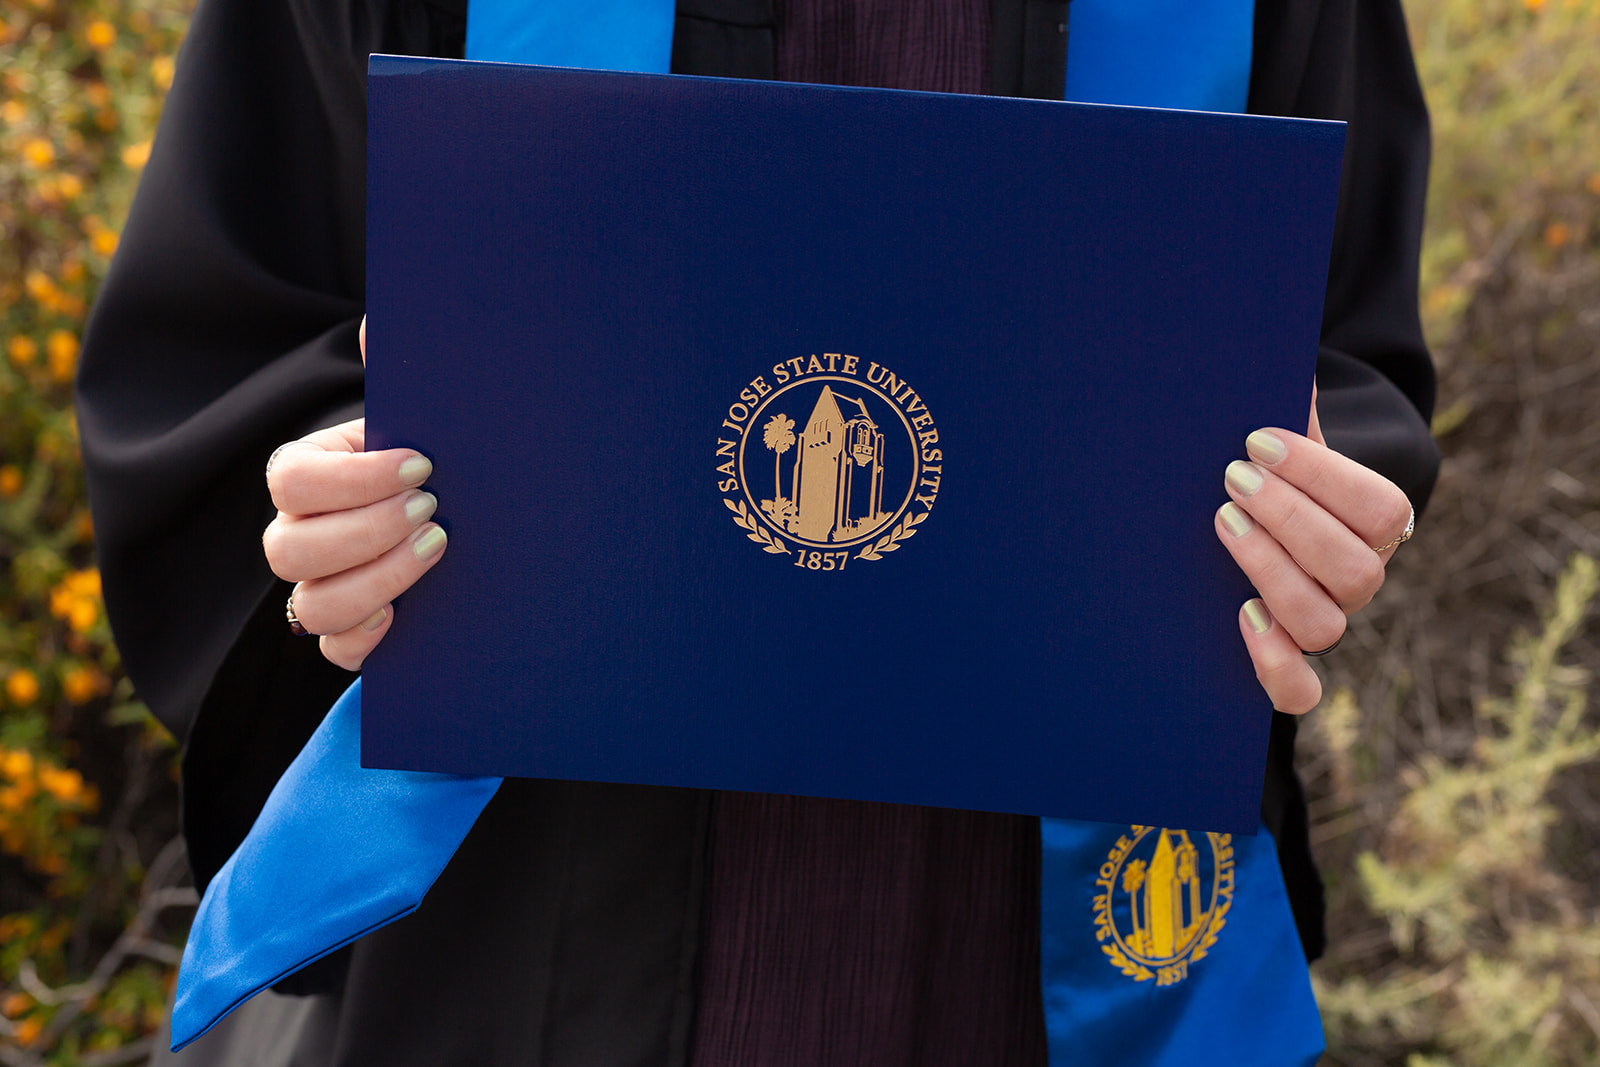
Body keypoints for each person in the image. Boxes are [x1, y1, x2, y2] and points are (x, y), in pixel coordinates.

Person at [77, 0, 1438, 1063]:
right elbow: (222, 339)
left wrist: (1313, 496)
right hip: (517, 942)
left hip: (1007, 962)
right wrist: (328, 493)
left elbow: (1339, 345)